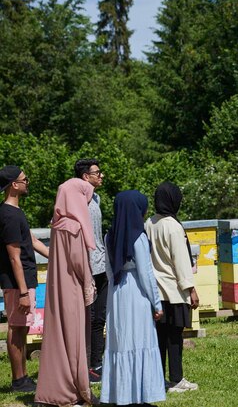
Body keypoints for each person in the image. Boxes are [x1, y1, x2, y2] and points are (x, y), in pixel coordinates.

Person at [100, 190, 166, 406]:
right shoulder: (138, 236)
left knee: (120, 343)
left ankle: (121, 395)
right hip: (136, 293)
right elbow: (146, 273)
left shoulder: (110, 235)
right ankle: (139, 395)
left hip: (117, 293)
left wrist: (112, 297)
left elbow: (109, 271)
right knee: (140, 341)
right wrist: (156, 303)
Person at [35, 178, 97, 406]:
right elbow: (79, 263)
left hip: (56, 288)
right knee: (75, 339)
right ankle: (76, 390)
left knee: (57, 339)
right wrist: (89, 285)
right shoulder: (74, 227)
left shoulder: (58, 223)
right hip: (72, 289)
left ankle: (51, 390)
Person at [145, 181, 199, 393]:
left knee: (159, 338)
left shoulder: (149, 223)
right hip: (174, 291)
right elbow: (181, 261)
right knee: (175, 338)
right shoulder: (173, 227)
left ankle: (158, 378)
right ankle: (176, 379)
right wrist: (191, 289)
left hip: (156, 292)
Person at [0, 165, 49, 392]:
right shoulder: (8, 215)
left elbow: (33, 241)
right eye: (24, 179)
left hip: (26, 280)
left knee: (23, 328)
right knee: (16, 328)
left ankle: (23, 378)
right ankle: (19, 380)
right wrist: (22, 292)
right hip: (16, 283)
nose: (27, 182)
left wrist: (59, 257)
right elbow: (14, 258)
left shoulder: (16, 213)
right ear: (14, 185)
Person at [74, 158, 107, 382]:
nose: (101, 176)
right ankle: (86, 365)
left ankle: (98, 362)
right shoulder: (77, 200)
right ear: (86, 176)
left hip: (102, 263)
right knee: (89, 316)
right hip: (86, 267)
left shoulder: (96, 197)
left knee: (100, 317)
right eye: (97, 173)